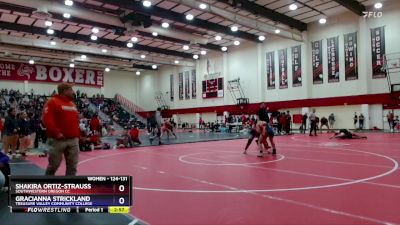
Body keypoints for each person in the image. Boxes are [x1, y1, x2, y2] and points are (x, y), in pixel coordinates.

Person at [42, 83, 80, 176]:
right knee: (54, 165)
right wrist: (57, 133)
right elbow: (47, 119)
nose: (73, 92)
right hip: (57, 140)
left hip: (73, 140)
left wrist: (78, 135)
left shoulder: (72, 104)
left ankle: (70, 185)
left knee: (73, 165)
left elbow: (75, 121)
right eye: (71, 89)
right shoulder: (52, 102)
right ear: (65, 91)